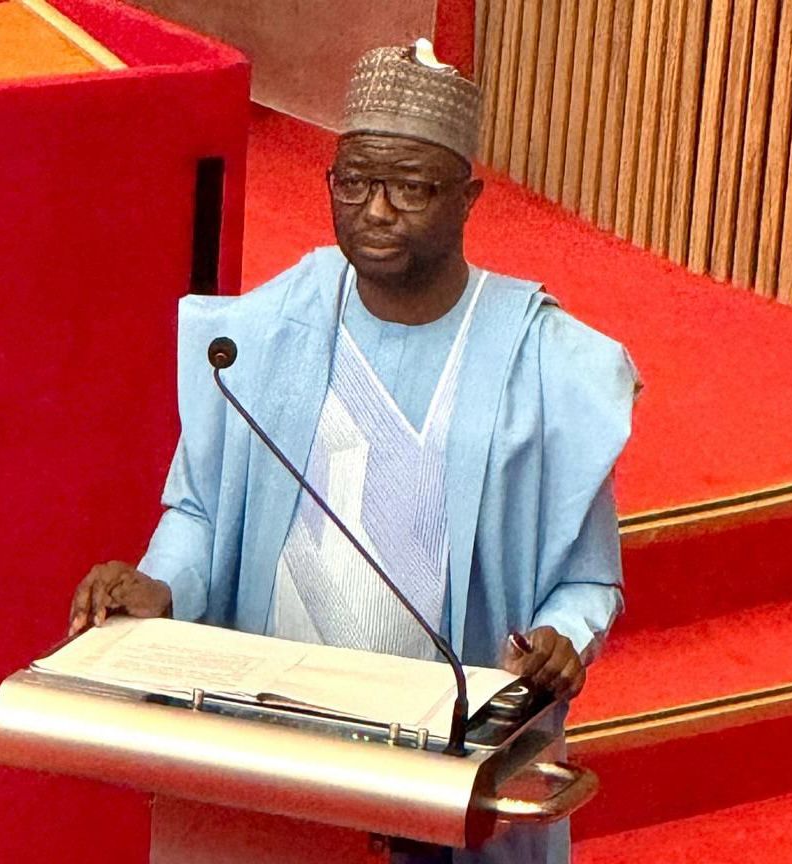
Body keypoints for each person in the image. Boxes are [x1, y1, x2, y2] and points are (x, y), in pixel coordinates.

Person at [68, 38, 637, 864]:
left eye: (410, 187)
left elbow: (586, 579)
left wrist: (561, 637)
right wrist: (160, 584)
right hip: (271, 743)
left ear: (469, 197)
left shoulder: (541, 363)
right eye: (355, 181)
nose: (376, 210)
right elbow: (195, 509)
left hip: (438, 758)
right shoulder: (265, 334)